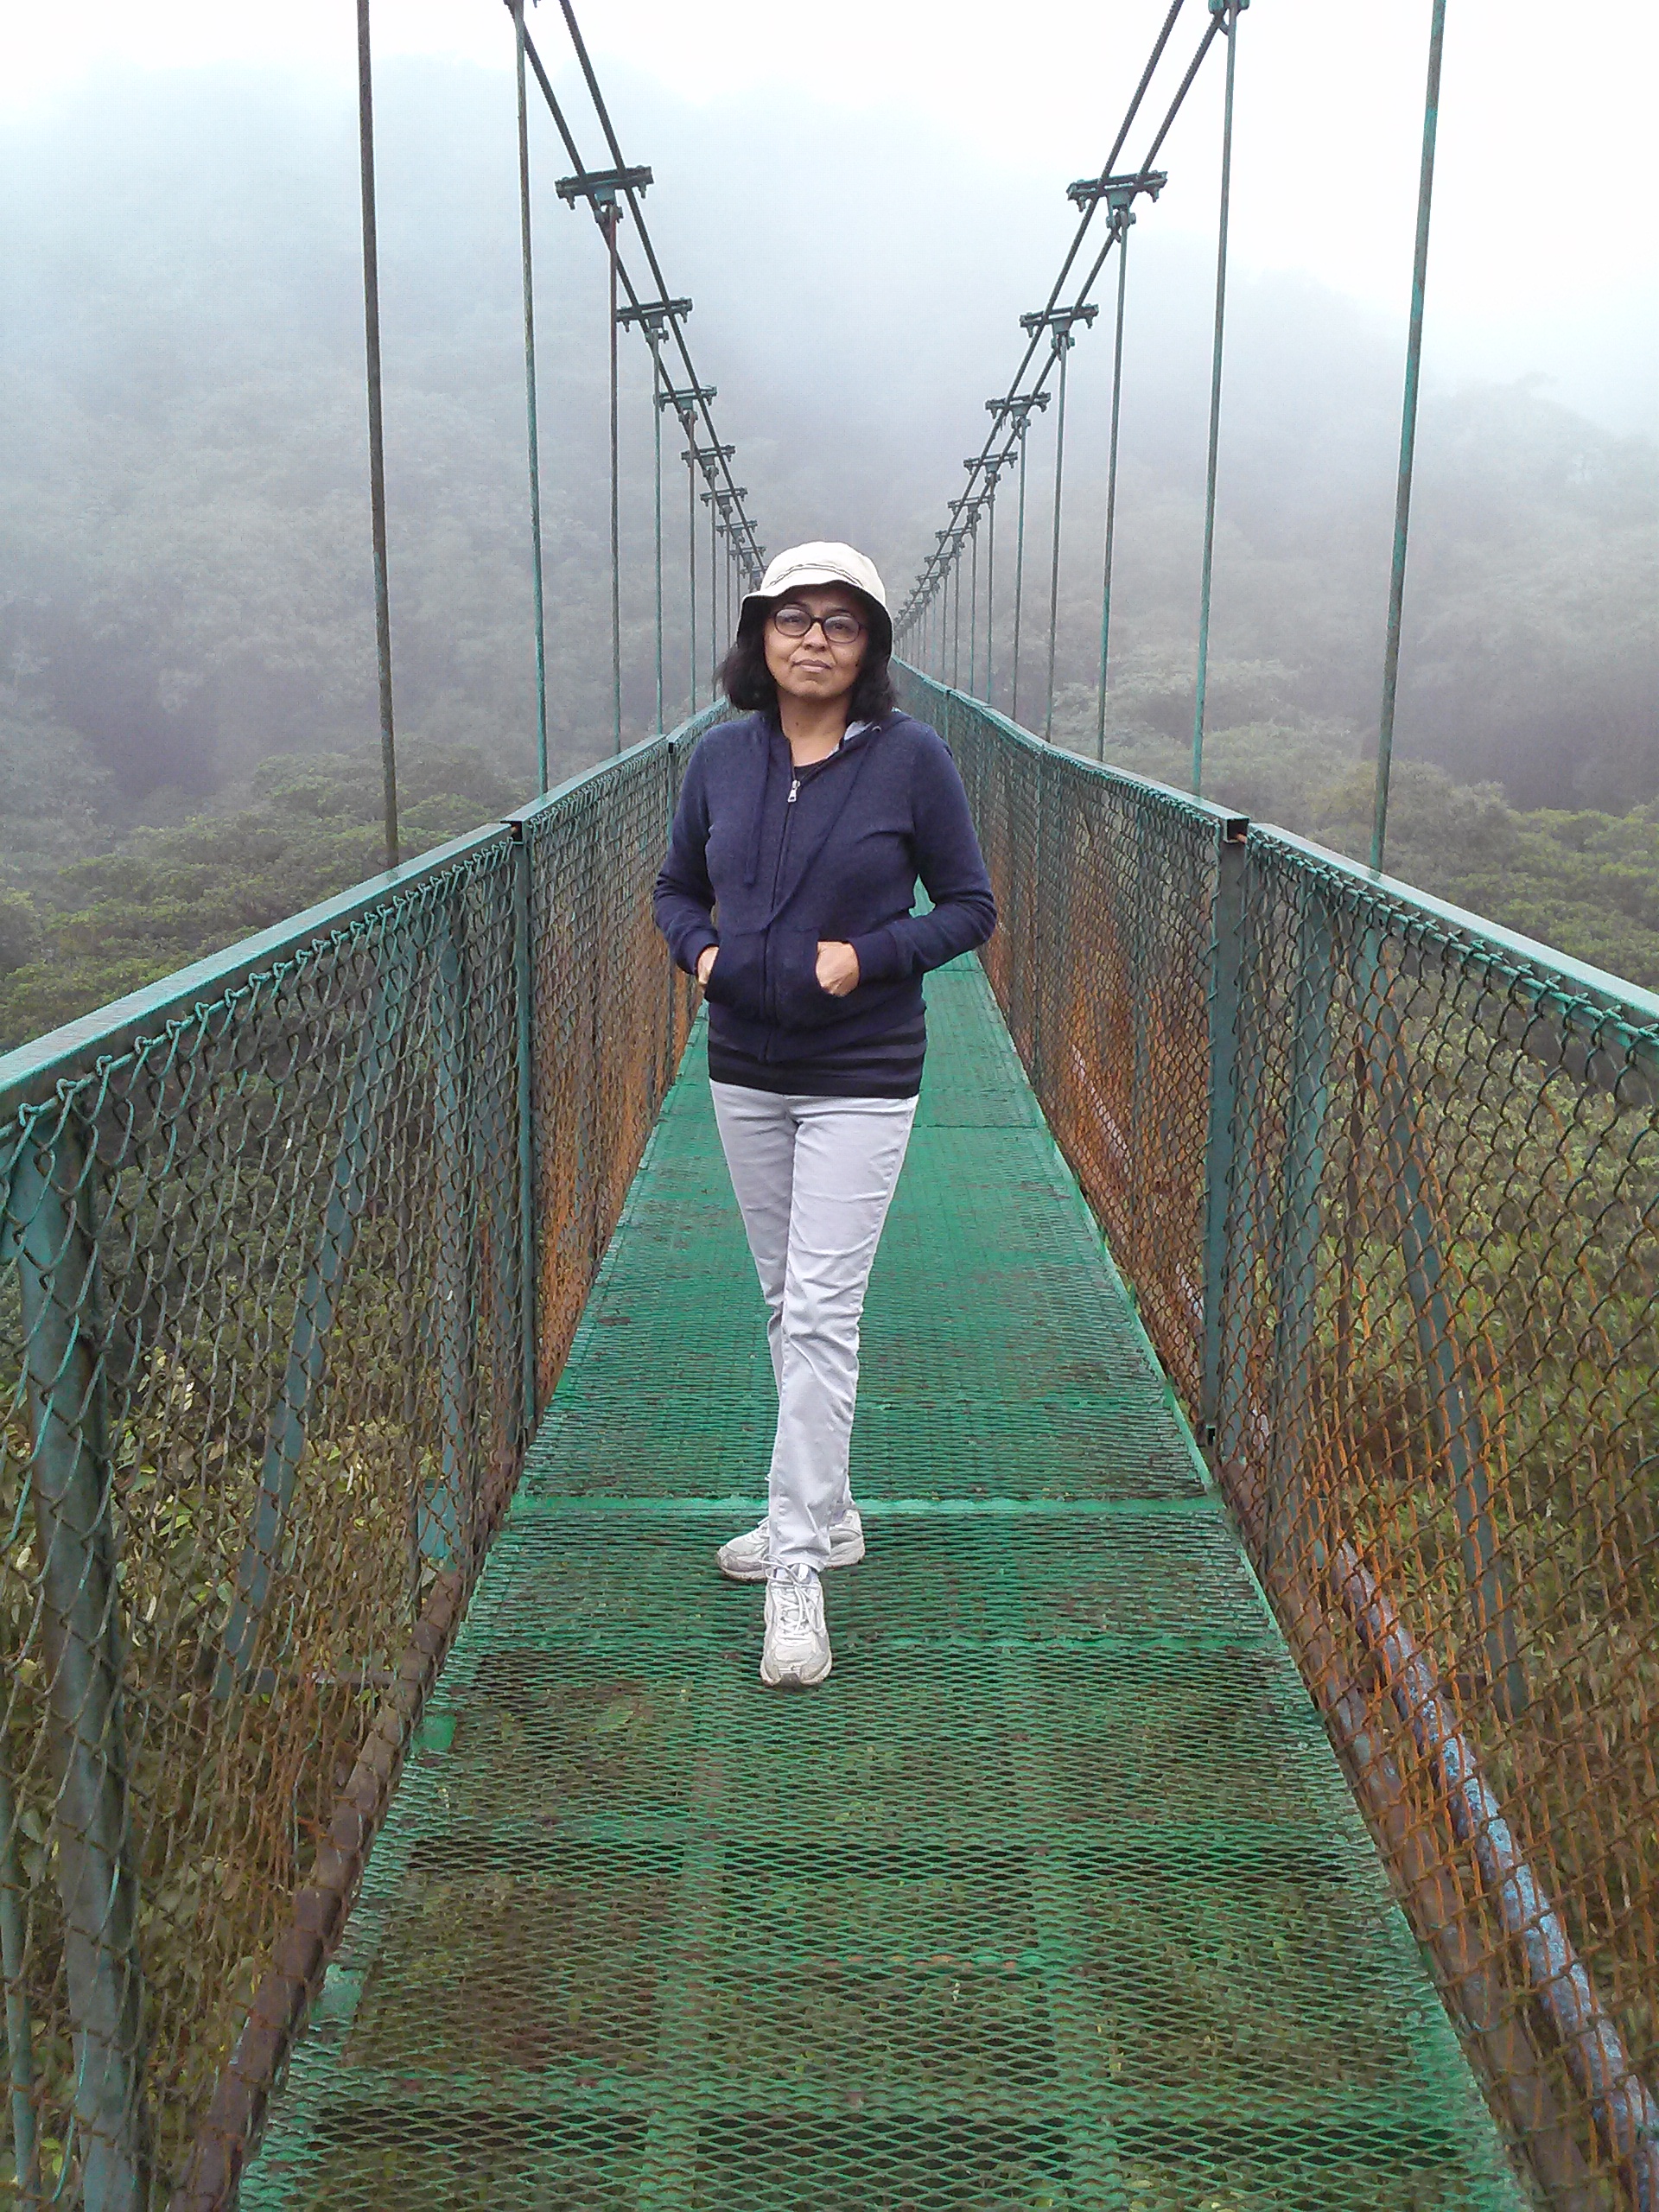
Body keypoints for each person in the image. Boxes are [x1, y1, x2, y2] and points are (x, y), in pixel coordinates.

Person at [653, 542, 996, 1688]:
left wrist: (867, 958)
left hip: (861, 1066)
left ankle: (797, 1569)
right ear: (759, 636)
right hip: (743, 1063)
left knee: (817, 1310)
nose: (812, 638)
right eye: (790, 618)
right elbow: (673, 888)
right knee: (782, 1301)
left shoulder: (913, 761)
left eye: (839, 623)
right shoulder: (718, 760)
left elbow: (969, 907)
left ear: (871, 648)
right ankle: (831, 1513)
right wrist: (701, 956)